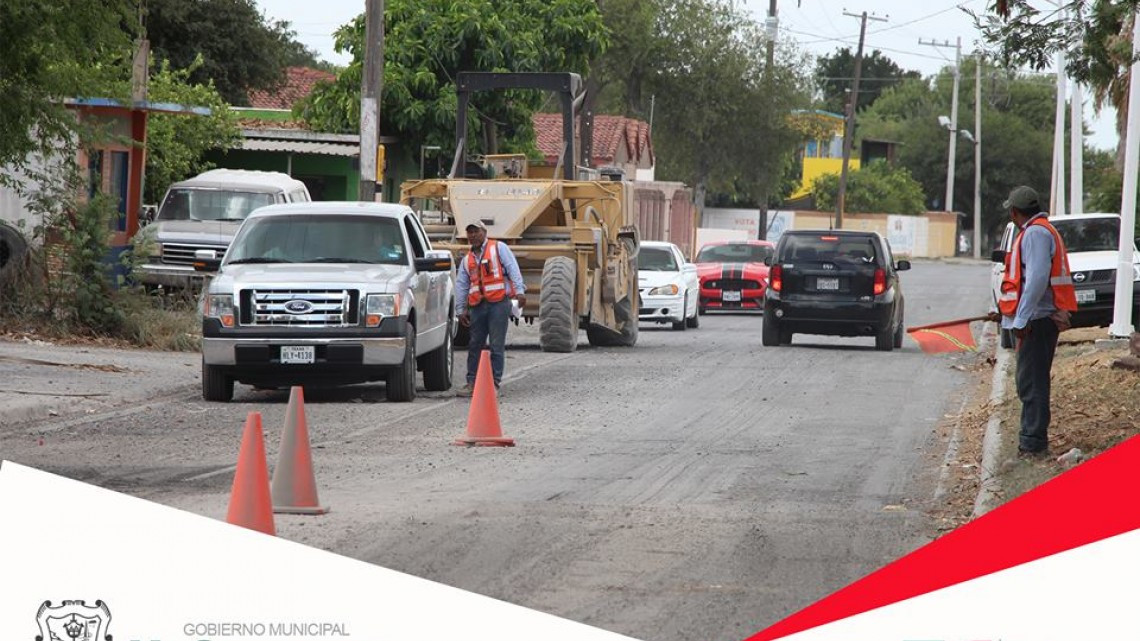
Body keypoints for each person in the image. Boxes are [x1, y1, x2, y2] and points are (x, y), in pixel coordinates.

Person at [992, 185, 1077, 458]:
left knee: (1032, 383)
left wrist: (1021, 317)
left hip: (1037, 320)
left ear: (1015, 213)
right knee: (1029, 380)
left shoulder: (1035, 234)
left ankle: (1033, 444)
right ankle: (1031, 439)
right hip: (1037, 318)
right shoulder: (1038, 231)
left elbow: (1037, 278)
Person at [454, 219, 526, 397]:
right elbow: (461, 285)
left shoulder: (499, 248)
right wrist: (460, 310)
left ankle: (494, 382)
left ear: (484, 233)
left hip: (499, 304)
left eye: (476, 231)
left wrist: (519, 291)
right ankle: (472, 382)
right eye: (470, 232)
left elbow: (513, 268)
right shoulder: (467, 260)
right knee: (474, 344)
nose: (473, 235)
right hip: (477, 306)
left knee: (496, 344)